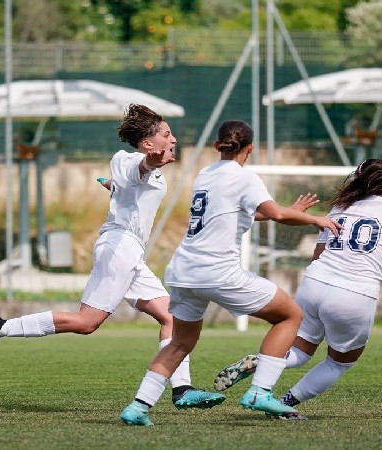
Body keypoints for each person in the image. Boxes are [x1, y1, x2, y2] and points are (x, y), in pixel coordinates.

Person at [0, 103, 224, 409]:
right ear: (148, 144)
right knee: (87, 322)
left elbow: (127, 186)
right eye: (167, 135)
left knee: (172, 318)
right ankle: (0, 326)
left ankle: (182, 390)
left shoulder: (148, 173)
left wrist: (112, 186)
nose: (174, 140)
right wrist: (148, 163)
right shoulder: (129, 160)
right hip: (119, 248)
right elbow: (135, 171)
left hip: (131, 253)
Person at [119, 119, 342, 426]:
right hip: (218, 271)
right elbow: (275, 213)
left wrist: (291, 212)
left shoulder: (205, 174)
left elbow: (250, 213)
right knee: (289, 316)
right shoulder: (244, 177)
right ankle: (260, 392)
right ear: (250, 148)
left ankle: (138, 407)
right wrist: (315, 220)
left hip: (183, 270)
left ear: (216, 146)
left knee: (180, 343)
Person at [213, 158, 382, 419]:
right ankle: (286, 402)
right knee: (338, 362)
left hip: (314, 284)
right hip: (354, 293)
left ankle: (260, 361)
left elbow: (318, 254)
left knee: (300, 352)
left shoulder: (340, 207)